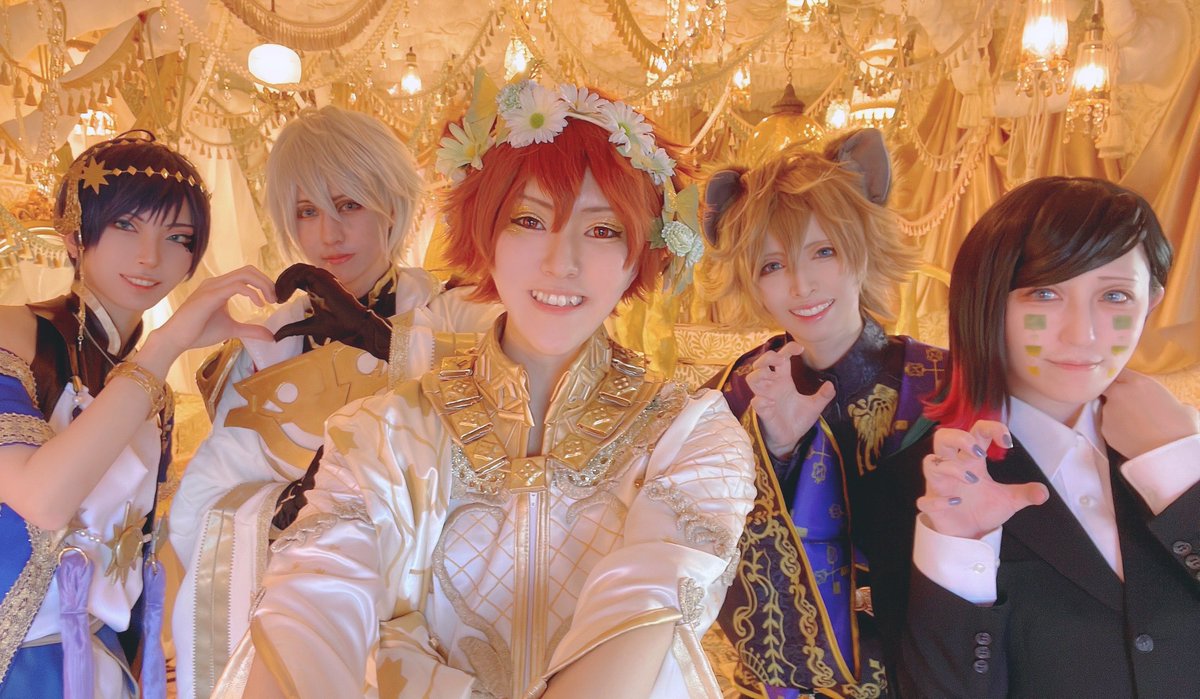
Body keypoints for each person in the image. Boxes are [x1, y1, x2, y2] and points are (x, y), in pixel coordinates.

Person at [213, 78, 756, 699]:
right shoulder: (380, 435)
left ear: (642, 251)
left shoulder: (688, 435)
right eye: (529, 220)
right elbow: (309, 608)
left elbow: (645, 606)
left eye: (603, 230)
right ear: (485, 235)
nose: (561, 262)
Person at [168, 105, 499, 699]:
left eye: (349, 205)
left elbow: (510, 436)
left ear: (392, 204)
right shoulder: (269, 340)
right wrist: (283, 507)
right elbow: (205, 499)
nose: (328, 234)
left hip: (433, 606)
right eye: (307, 211)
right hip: (305, 604)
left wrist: (388, 344)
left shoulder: (459, 311)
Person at [898, 176, 1199, 698]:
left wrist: (1179, 473)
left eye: (1115, 296)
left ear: (1151, 301)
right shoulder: (922, 490)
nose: (1082, 334)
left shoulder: (1184, 452)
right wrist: (959, 550)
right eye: (1044, 293)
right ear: (989, 301)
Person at [0, 131, 275, 697]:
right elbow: (41, 499)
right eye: (126, 225)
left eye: (177, 237)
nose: (150, 257)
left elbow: (141, 550)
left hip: (103, 664)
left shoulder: (153, 391)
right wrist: (167, 343)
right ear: (73, 233)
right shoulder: (14, 334)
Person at [699, 131, 938, 698]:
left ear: (863, 245)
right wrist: (774, 451)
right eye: (772, 265)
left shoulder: (943, 384)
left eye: (823, 251)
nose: (801, 285)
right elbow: (705, 553)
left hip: (923, 671)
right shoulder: (732, 395)